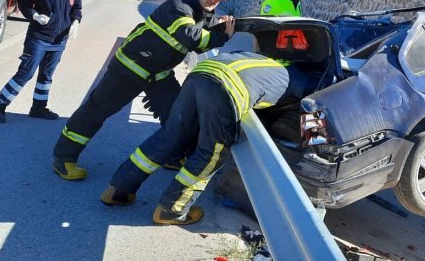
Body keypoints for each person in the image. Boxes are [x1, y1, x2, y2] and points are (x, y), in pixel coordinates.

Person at [51, 0, 235, 181]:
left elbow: (203, 38)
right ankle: (63, 158)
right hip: (132, 67)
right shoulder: (179, 6)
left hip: (158, 72)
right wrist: (223, 36)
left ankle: (173, 155)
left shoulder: (204, 13)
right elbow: (192, 38)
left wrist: (220, 26)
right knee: (97, 109)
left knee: (179, 114)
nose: (214, 0)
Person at [100, 51, 293, 225]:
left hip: (199, 75)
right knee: (212, 152)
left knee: (170, 136)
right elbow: (266, 109)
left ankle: (118, 189)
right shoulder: (288, 81)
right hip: (226, 88)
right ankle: (171, 210)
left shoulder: (260, 59)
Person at [0, 0, 82, 123]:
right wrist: (34, 15)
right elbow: (23, 3)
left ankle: (38, 107)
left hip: (59, 41)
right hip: (38, 38)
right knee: (26, 72)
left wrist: (76, 22)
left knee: (46, 76)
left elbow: (77, 9)